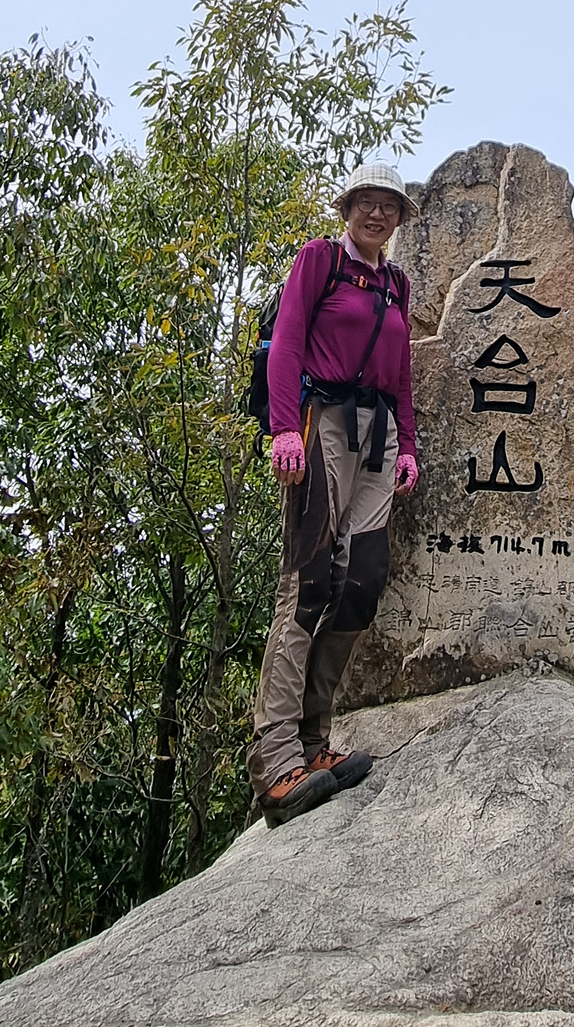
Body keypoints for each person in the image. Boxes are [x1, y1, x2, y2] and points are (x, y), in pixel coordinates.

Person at [247, 159, 420, 827]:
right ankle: (276, 761)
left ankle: (316, 743)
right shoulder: (320, 261)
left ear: (399, 217)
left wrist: (409, 445)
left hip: (379, 435)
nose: (377, 214)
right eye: (366, 203)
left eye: (388, 206)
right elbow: (288, 342)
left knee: (362, 582)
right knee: (308, 583)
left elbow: (401, 372)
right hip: (322, 424)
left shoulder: (396, 284)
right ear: (347, 208)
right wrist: (283, 428)